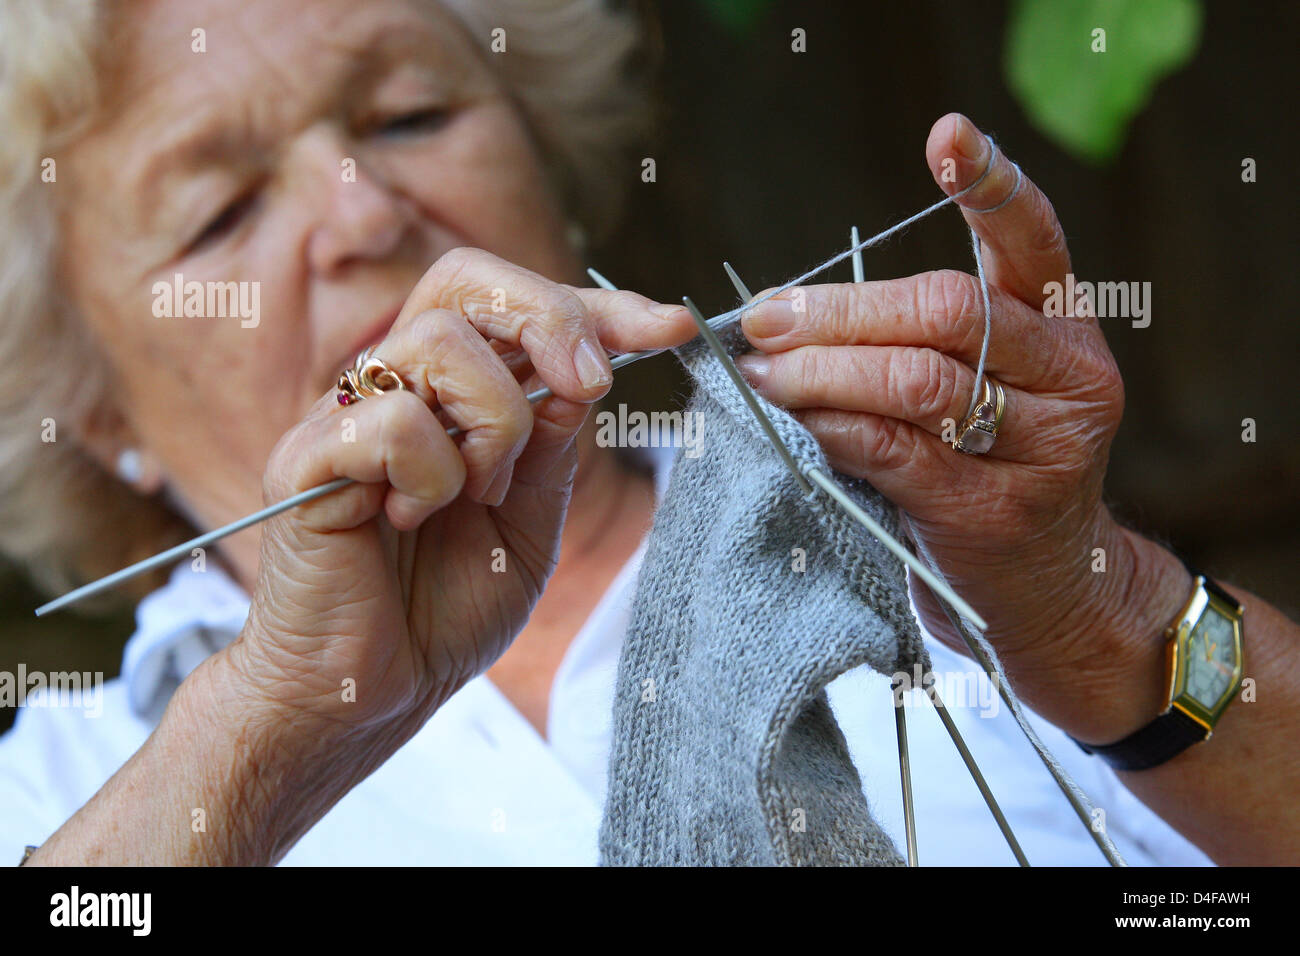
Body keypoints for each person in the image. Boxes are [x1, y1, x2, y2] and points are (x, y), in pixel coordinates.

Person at [0, 0, 1294, 866]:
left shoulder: (943, 537)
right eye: (221, 210)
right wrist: (275, 726)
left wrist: (1098, 615)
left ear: (550, 171)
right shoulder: (67, 783)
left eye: (409, 118)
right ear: (98, 406)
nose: (364, 212)